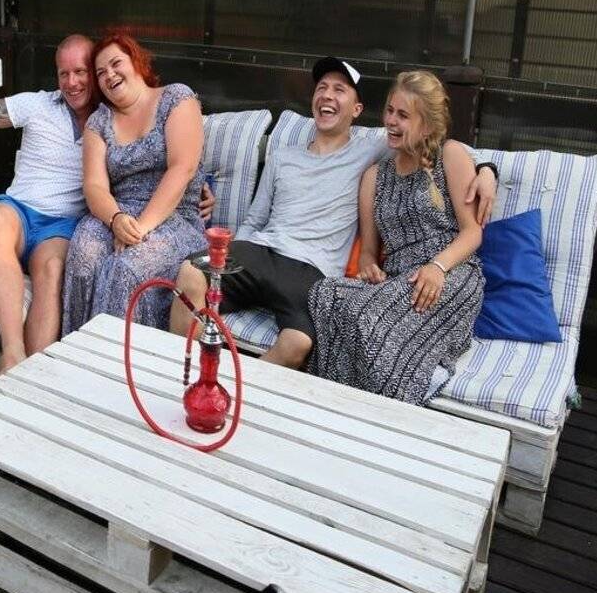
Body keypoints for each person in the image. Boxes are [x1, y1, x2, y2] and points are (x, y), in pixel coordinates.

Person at [0, 35, 216, 372]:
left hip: (62, 226)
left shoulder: (110, 115)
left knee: (54, 269)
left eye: (81, 72)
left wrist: (198, 186)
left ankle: (38, 370)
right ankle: (13, 353)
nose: (72, 82)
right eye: (63, 73)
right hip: (20, 213)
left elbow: (168, 164)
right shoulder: (40, 105)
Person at [169, 57, 497, 369]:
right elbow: (255, 219)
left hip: (311, 271)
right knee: (190, 272)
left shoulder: (373, 149)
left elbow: (430, 142)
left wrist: (486, 169)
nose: (327, 95)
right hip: (261, 252)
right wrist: (233, 257)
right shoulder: (283, 156)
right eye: (322, 88)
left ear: (357, 110)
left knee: (297, 343)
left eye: (339, 90)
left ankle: (233, 392)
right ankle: (190, 378)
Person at [307, 70, 485, 403]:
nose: (390, 121)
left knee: (365, 317)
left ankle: (386, 406)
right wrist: (369, 266)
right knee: (324, 294)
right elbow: (368, 252)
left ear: (427, 125)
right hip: (398, 281)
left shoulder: (450, 155)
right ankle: (332, 403)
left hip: (450, 275)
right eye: (390, 111)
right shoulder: (375, 177)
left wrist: (437, 267)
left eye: (403, 115)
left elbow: (473, 232)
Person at [62, 33, 208, 335]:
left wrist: (140, 228)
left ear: (137, 62)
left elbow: (182, 168)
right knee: (83, 255)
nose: (109, 75)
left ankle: (121, 359)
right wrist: (116, 220)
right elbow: (94, 187)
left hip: (174, 218)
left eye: (116, 63)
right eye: (100, 72)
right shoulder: (99, 122)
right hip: (117, 213)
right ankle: (76, 350)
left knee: (124, 268)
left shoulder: (176, 98)